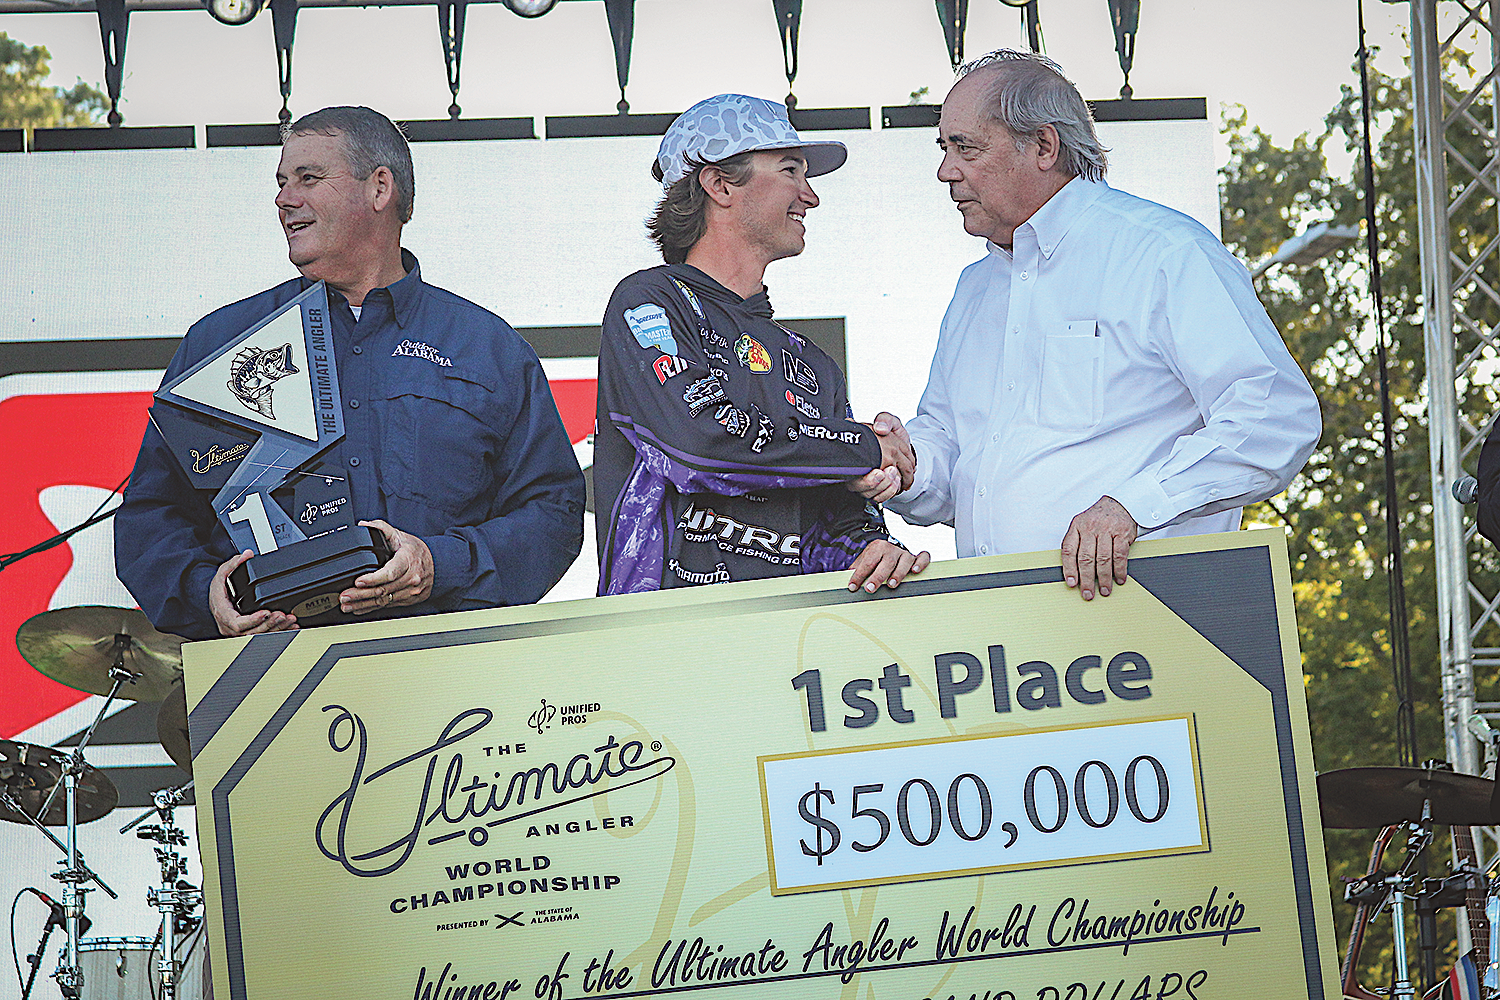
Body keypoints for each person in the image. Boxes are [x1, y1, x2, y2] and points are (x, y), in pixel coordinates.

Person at [116, 106, 585, 639]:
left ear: (380, 188)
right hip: (269, 680)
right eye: (281, 182)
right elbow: (148, 518)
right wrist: (208, 593)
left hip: (445, 679)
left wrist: (438, 563)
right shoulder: (221, 342)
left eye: (308, 179)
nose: (284, 200)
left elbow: (554, 514)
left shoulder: (487, 348)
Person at [880, 50, 1321, 600]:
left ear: (1043, 146)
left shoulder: (1163, 252)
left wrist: (1134, 506)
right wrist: (909, 463)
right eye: (944, 149)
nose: (945, 170)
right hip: (1003, 637)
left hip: (1148, 629)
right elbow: (958, 467)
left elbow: (1275, 415)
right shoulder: (975, 289)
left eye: (965, 147)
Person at [594, 93, 927, 595]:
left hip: (792, 649)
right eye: (791, 170)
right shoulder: (650, 302)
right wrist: (862, 449)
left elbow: (839, 518)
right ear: (720, 183)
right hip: (666, 645)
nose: (810, 196)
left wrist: (873, 548)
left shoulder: (812, 362)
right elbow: (699, 442)